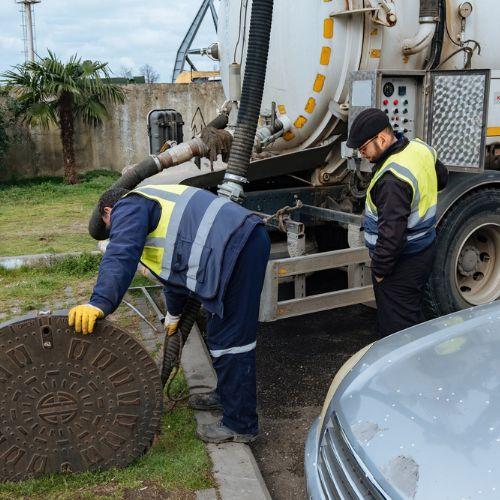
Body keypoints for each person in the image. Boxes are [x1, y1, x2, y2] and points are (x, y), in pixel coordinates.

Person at [68, 183, 271, 444]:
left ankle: (240, 425)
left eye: (109, 226)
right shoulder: (153, 207)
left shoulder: (129, 205)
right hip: (235, 245)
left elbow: (121, 253)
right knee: (219, 331)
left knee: (230, 341)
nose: (114, 230)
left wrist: (99, 302)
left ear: (109, 211)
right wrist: (173, 315)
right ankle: (227, 396)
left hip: (238, 247)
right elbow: (176, 276)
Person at [346, 108, 448, 337]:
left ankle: (412, 369)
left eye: (363, 148)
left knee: (397, 329)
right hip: (424, 249)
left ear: (381, 139)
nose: (362, 154)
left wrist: (380, 271)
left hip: (403, 261)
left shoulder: (392, 179)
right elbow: (442, 179)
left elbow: (392, 235)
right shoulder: (419, 149)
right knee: (410, 312)